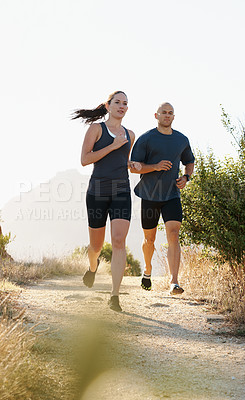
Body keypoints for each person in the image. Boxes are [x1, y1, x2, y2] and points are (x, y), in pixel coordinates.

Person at [72, 91, 140, 312]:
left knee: (119, 241)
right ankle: (93, 267)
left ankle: (115, 296)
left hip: (121, 190)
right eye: (118, 102)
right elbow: (85, 160)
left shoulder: (131, 134)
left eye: (125, 104)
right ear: (108, 106)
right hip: (97, 192)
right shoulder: (96, 129)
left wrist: (133, 165)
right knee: (96, 246)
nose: (122, 106)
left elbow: (123, 160)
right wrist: (112, 145)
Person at [130, 102, 195, 295]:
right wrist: (155, 166)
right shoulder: (146, 138)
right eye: (163, 112)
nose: (167, 115)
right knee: (149, 239)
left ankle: (174, 282)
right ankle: (147, 269)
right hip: (149, 195)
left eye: (170, 113)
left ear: (174, 117)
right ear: (156, 115)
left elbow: (189, 162)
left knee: (173, 234)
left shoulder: (181, 139)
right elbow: (133, 166)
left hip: (172, 195)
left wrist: (186, 177)